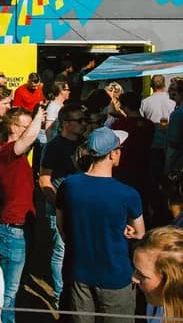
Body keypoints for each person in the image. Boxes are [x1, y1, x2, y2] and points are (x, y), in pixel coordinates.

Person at [56, 127, 145, 323]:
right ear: (113, 154)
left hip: (79, 273)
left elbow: (61, 227)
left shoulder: (69, 185)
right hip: (116, 277)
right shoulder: (128, 194)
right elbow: (140, 233)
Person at [0, 107, 44, 323]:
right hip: (12, 229)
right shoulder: (7, 151)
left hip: (20, 226)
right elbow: (31, 136)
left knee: (13, 287)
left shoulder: (17, 154)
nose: (30, 130)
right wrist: (41, 115)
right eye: (25, 125)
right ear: (13, 127)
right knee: (9, 290)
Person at [38, 103, 85, 308]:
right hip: (60, 206)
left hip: (82, 206)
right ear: (65, 123)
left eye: (84, 120)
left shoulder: (85, 143)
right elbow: (44, 179)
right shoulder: (54, 146)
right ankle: (59, 294)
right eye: (79, 121)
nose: (84, 124)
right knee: (61, 250)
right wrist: (59, 203)